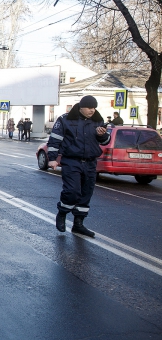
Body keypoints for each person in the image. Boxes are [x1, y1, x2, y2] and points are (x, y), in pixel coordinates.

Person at [47, 95, 110, 238]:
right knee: (72, 191)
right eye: (89, 107)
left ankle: (78, 224)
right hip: (71, 161)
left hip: (90, 162)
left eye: (94, 107)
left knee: (86, 193)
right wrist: (52, 159)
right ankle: (62, 213)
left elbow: (105, 141)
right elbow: (55, 140)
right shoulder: (66, 119)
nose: (92, 110)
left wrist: (102, 136)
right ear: (81, 107)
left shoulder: (97, 120)